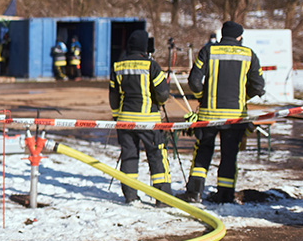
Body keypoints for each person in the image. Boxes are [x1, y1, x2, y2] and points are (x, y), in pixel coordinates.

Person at [179, 21, 264, 204]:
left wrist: (203, 97)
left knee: (202, 152)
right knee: (229, 155)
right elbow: (258, 86)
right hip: (235, 118)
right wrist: (242, 98)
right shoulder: (249, 54)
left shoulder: (209, 50)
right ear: (239, 36)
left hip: (209, 116)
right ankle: (225, 195)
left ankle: (194, 192)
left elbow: (194, 81)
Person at [109, 29, 172, 205]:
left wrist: (117, 117)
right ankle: (162, 197)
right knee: (156, 156)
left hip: (125, 121)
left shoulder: (118, 66)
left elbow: (113, 96)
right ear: (145, 47)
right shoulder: (151, 65)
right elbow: (163, 93)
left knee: (129, 156)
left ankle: (130, 195)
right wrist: (158, 101)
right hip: (148, 121)